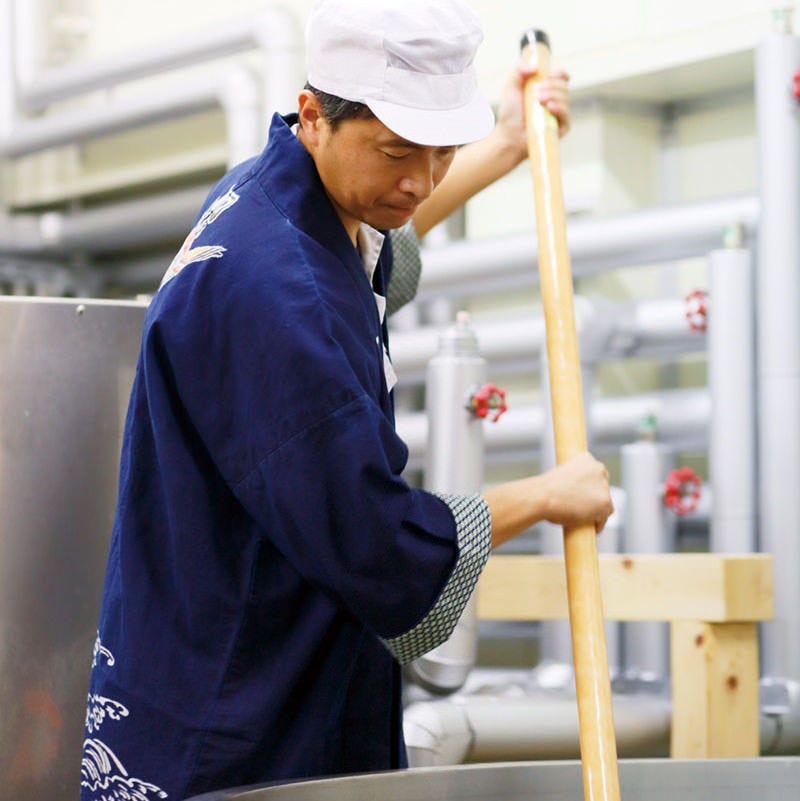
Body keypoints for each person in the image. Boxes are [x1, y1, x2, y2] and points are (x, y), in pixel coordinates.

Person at [80, 1, 611, 799]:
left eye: (443, 152)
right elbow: (382, 550)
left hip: (191, 671)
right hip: (237, 734)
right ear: (314, 115)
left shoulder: (272, 198)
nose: (419, 181)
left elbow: (371, 246)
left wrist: (507, 143)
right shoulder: (277, 296)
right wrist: (548, 495)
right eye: (398, 151)